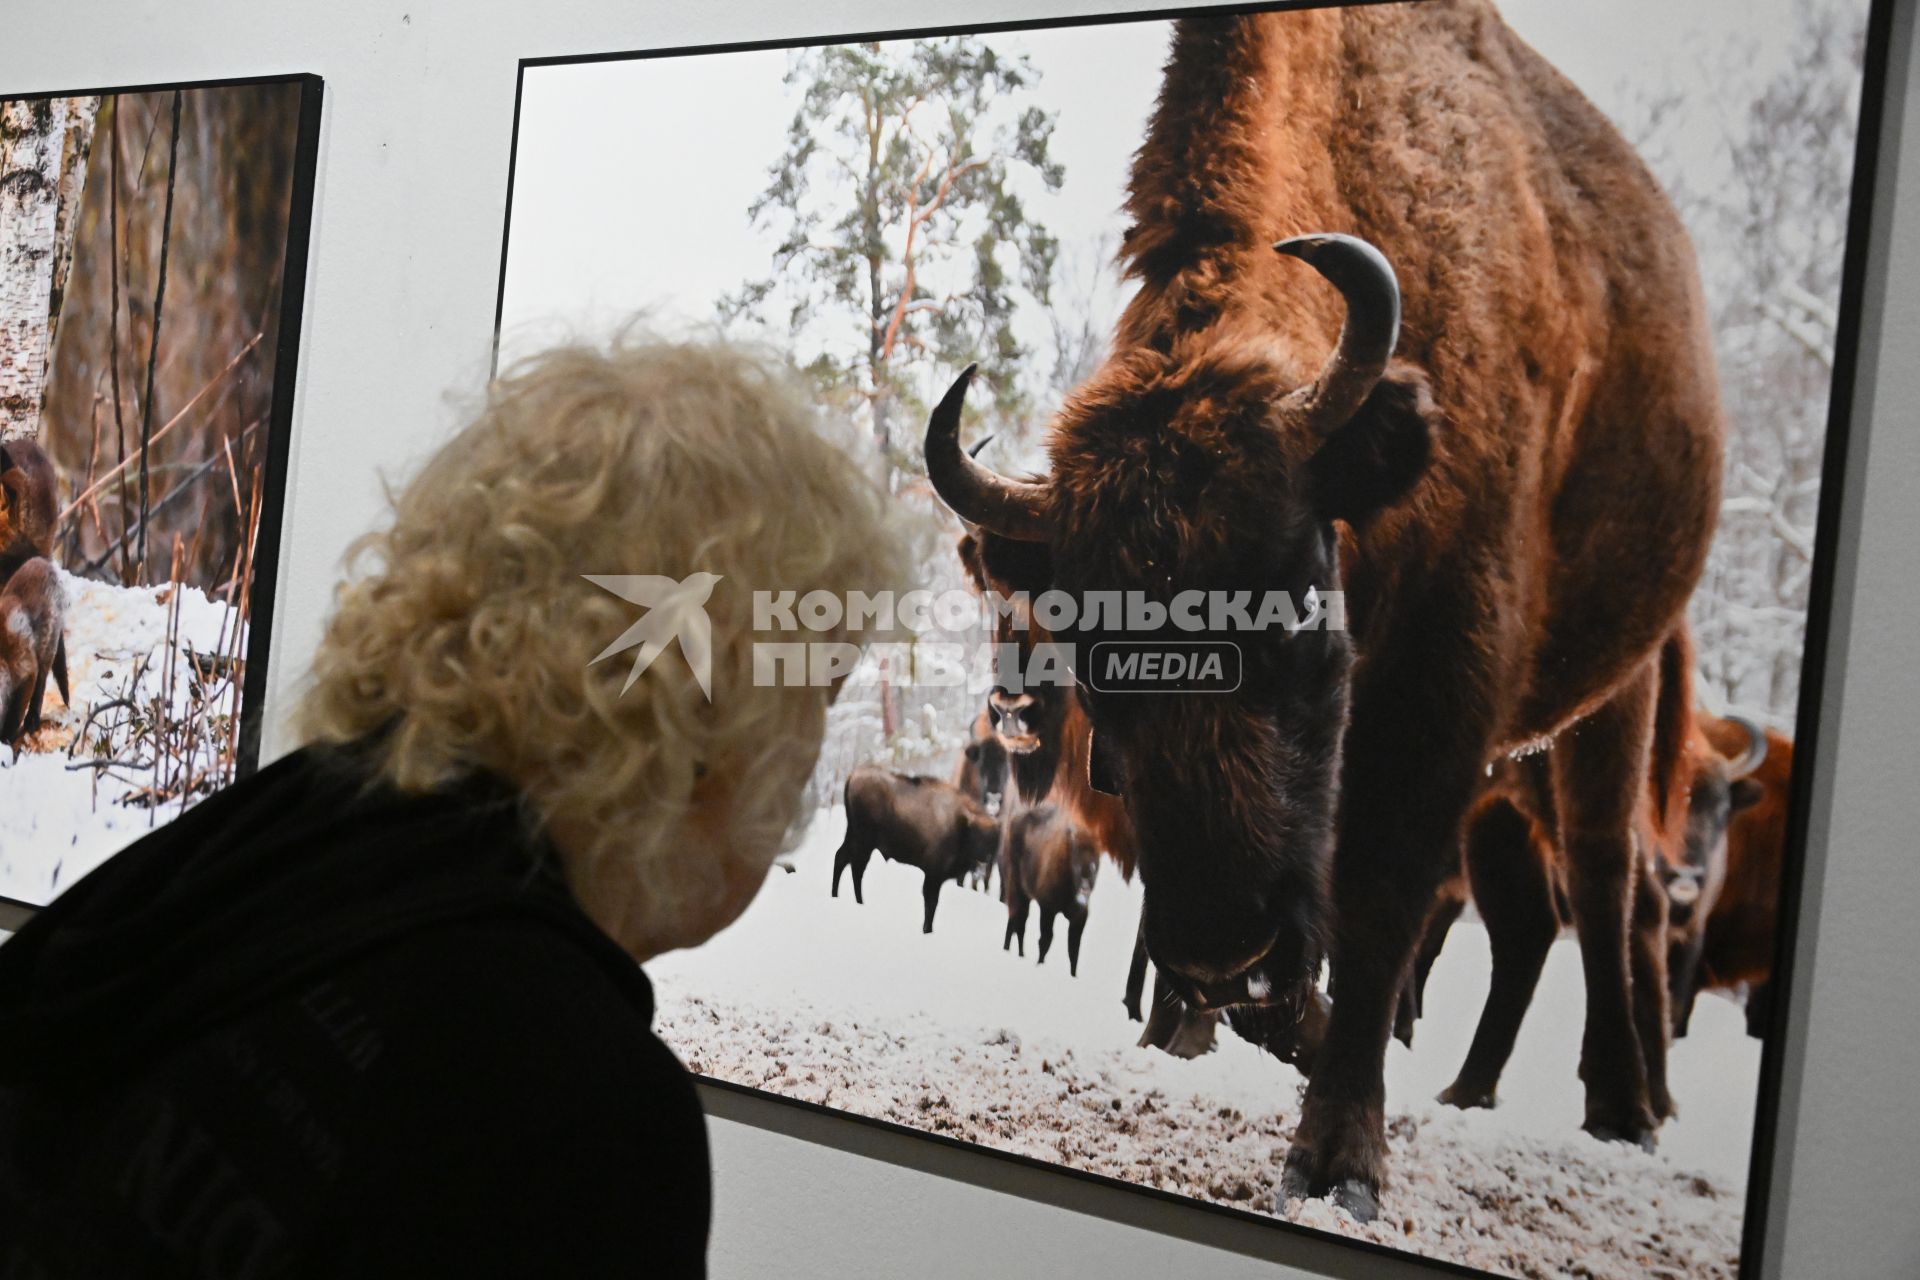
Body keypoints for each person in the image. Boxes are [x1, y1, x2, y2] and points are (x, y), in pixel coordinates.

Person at [0, 339, 903, 1277]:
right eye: (817, 688)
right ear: (710, 720)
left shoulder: (256, 851)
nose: (811, 750)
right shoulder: (576, 1111)